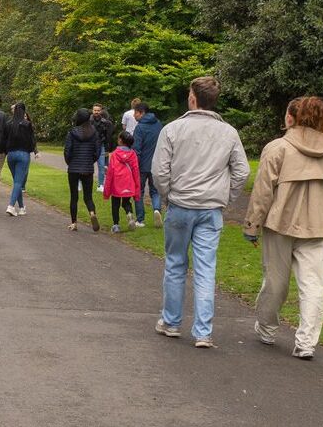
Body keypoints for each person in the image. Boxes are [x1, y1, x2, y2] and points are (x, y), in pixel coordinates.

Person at [152, 75, 250, 349]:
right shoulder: (229, 132)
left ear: (193, 98)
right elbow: (242, 171)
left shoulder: (173, 129)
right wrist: (225, 198)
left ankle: (171, 322)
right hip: (210, 209)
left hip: (181, 205)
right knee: (206, 269)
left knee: (175, 264)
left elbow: (160, 171)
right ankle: (203, 331)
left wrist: (167, 196)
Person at [244, 96, 323, 360]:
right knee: (313, 285)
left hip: (281, 224)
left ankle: (266, 329)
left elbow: (263, 192)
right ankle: (306, 342)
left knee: (275, 282)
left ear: (290, 118)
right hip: (318, 225)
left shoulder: (277, 148)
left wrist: (252, 226)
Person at [63, 108, 102, 231]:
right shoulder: (94, 133)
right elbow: (97, 151)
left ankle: (74, 223)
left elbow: (67, 151)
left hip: (74, 168)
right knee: (88, 196)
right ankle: (92, 213)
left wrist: (70, 162)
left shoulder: (72, 132)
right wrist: (91, 161)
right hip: (87, 168)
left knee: (74, 196)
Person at [2, 102, 37, 217]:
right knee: (19, 182)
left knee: (17, 181)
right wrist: (33, 150)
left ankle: (21, 207)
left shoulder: (8, 124)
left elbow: (4, 140)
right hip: (23, 154)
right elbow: (32, 140)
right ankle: (11, 206)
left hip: (11, 154)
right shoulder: (27, 124)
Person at [132, 104, 164, 226]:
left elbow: (136, 148)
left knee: (138, 191)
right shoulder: (158, 124)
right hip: (157, 163)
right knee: (155, 191)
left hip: (142, 165)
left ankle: (140, 220)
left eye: (135, 113)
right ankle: (156, 209)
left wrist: (134, 165)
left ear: (141, 112)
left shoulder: (140, 128)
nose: (134, 115)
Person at [103, 130, 141, 232]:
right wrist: (137, 188)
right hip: (128, 182)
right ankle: (129, 214)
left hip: (117, 182)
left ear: (120, 140)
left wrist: (106, 191)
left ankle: (116, 225)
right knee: (126, 202)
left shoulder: (115, 154)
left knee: (115, 204)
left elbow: (110, 172)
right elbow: (136, 171)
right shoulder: (133, 154)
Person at [91, 103, 114, 192]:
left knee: (101, 166)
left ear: (101, 111)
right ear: (92, 110)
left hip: (101, 146)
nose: (96, 112)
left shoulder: (106, 122)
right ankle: (82, 182)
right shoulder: (88, 121)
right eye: (95, 110)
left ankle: (100, 185)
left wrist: (108, 149)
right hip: (90, 146)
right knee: (87, 164)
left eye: (98, 110)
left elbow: (108, 136)